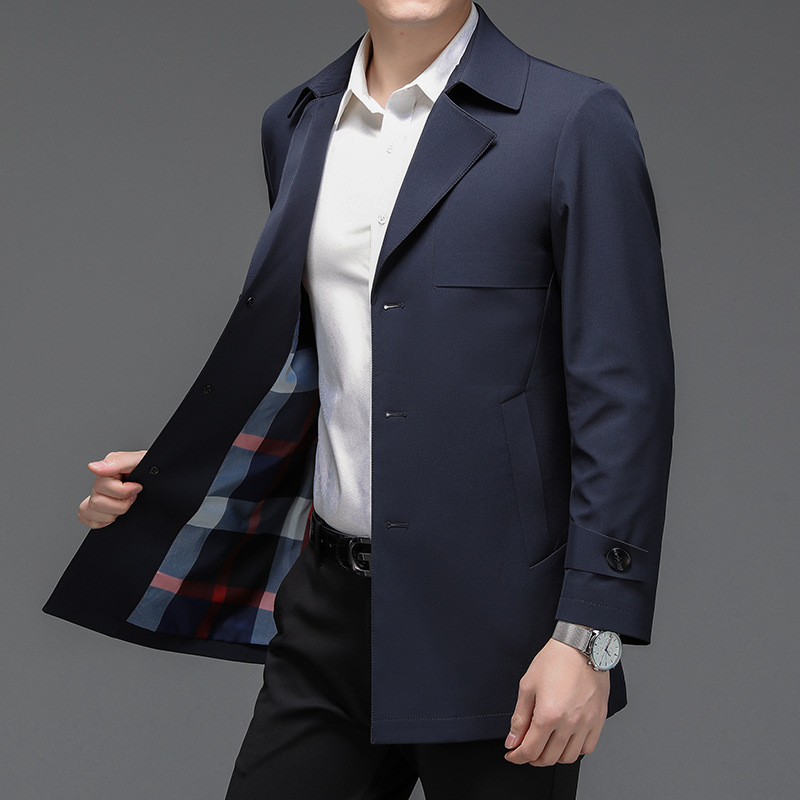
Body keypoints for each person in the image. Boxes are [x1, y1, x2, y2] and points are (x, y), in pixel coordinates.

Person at [45, 2, 674, 798]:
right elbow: (338, 364)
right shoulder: (297, 122)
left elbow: (625, 393)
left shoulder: (573, 121)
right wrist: (182, 474)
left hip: (501, 630)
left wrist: (589, 635)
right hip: (329, 611)